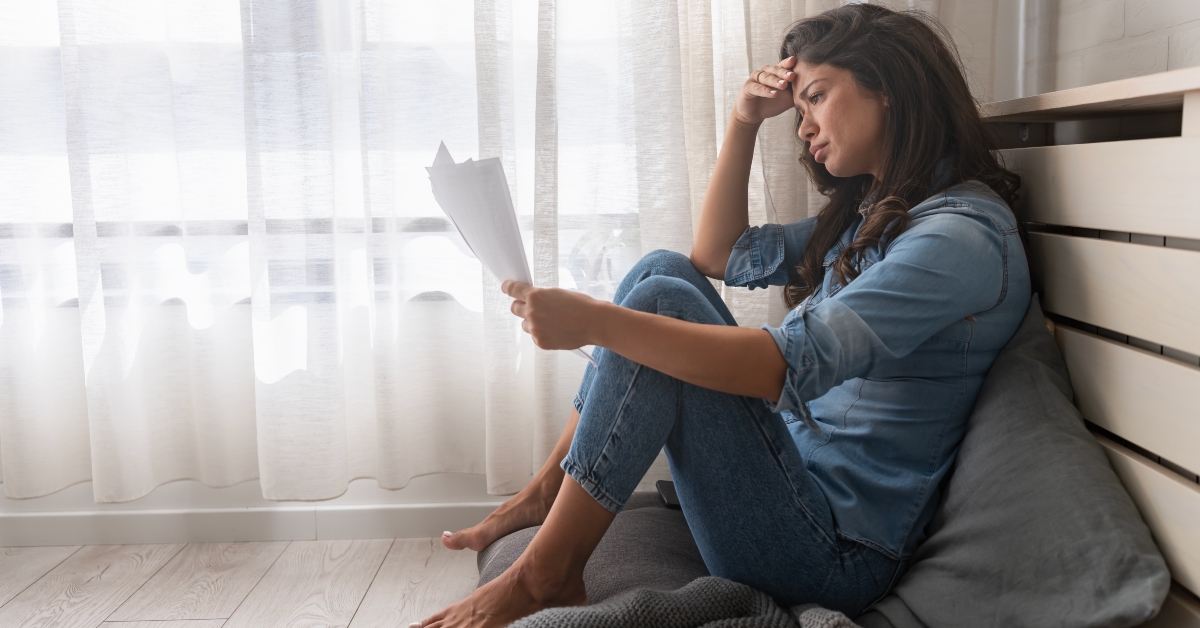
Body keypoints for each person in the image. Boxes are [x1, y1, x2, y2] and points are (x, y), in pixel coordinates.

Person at [414, 4, 1030, 627]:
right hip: (792, 480)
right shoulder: (881, 216)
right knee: (663, 270)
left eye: (816, 97)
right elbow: (716, 254)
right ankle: (549, 489)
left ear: (890, 87)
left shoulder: (957, 239)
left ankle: (545, 573)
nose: (803, 127)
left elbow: (784, 369)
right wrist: (742, 122)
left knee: (658, 300)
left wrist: (597, 322)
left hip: (835, 553)